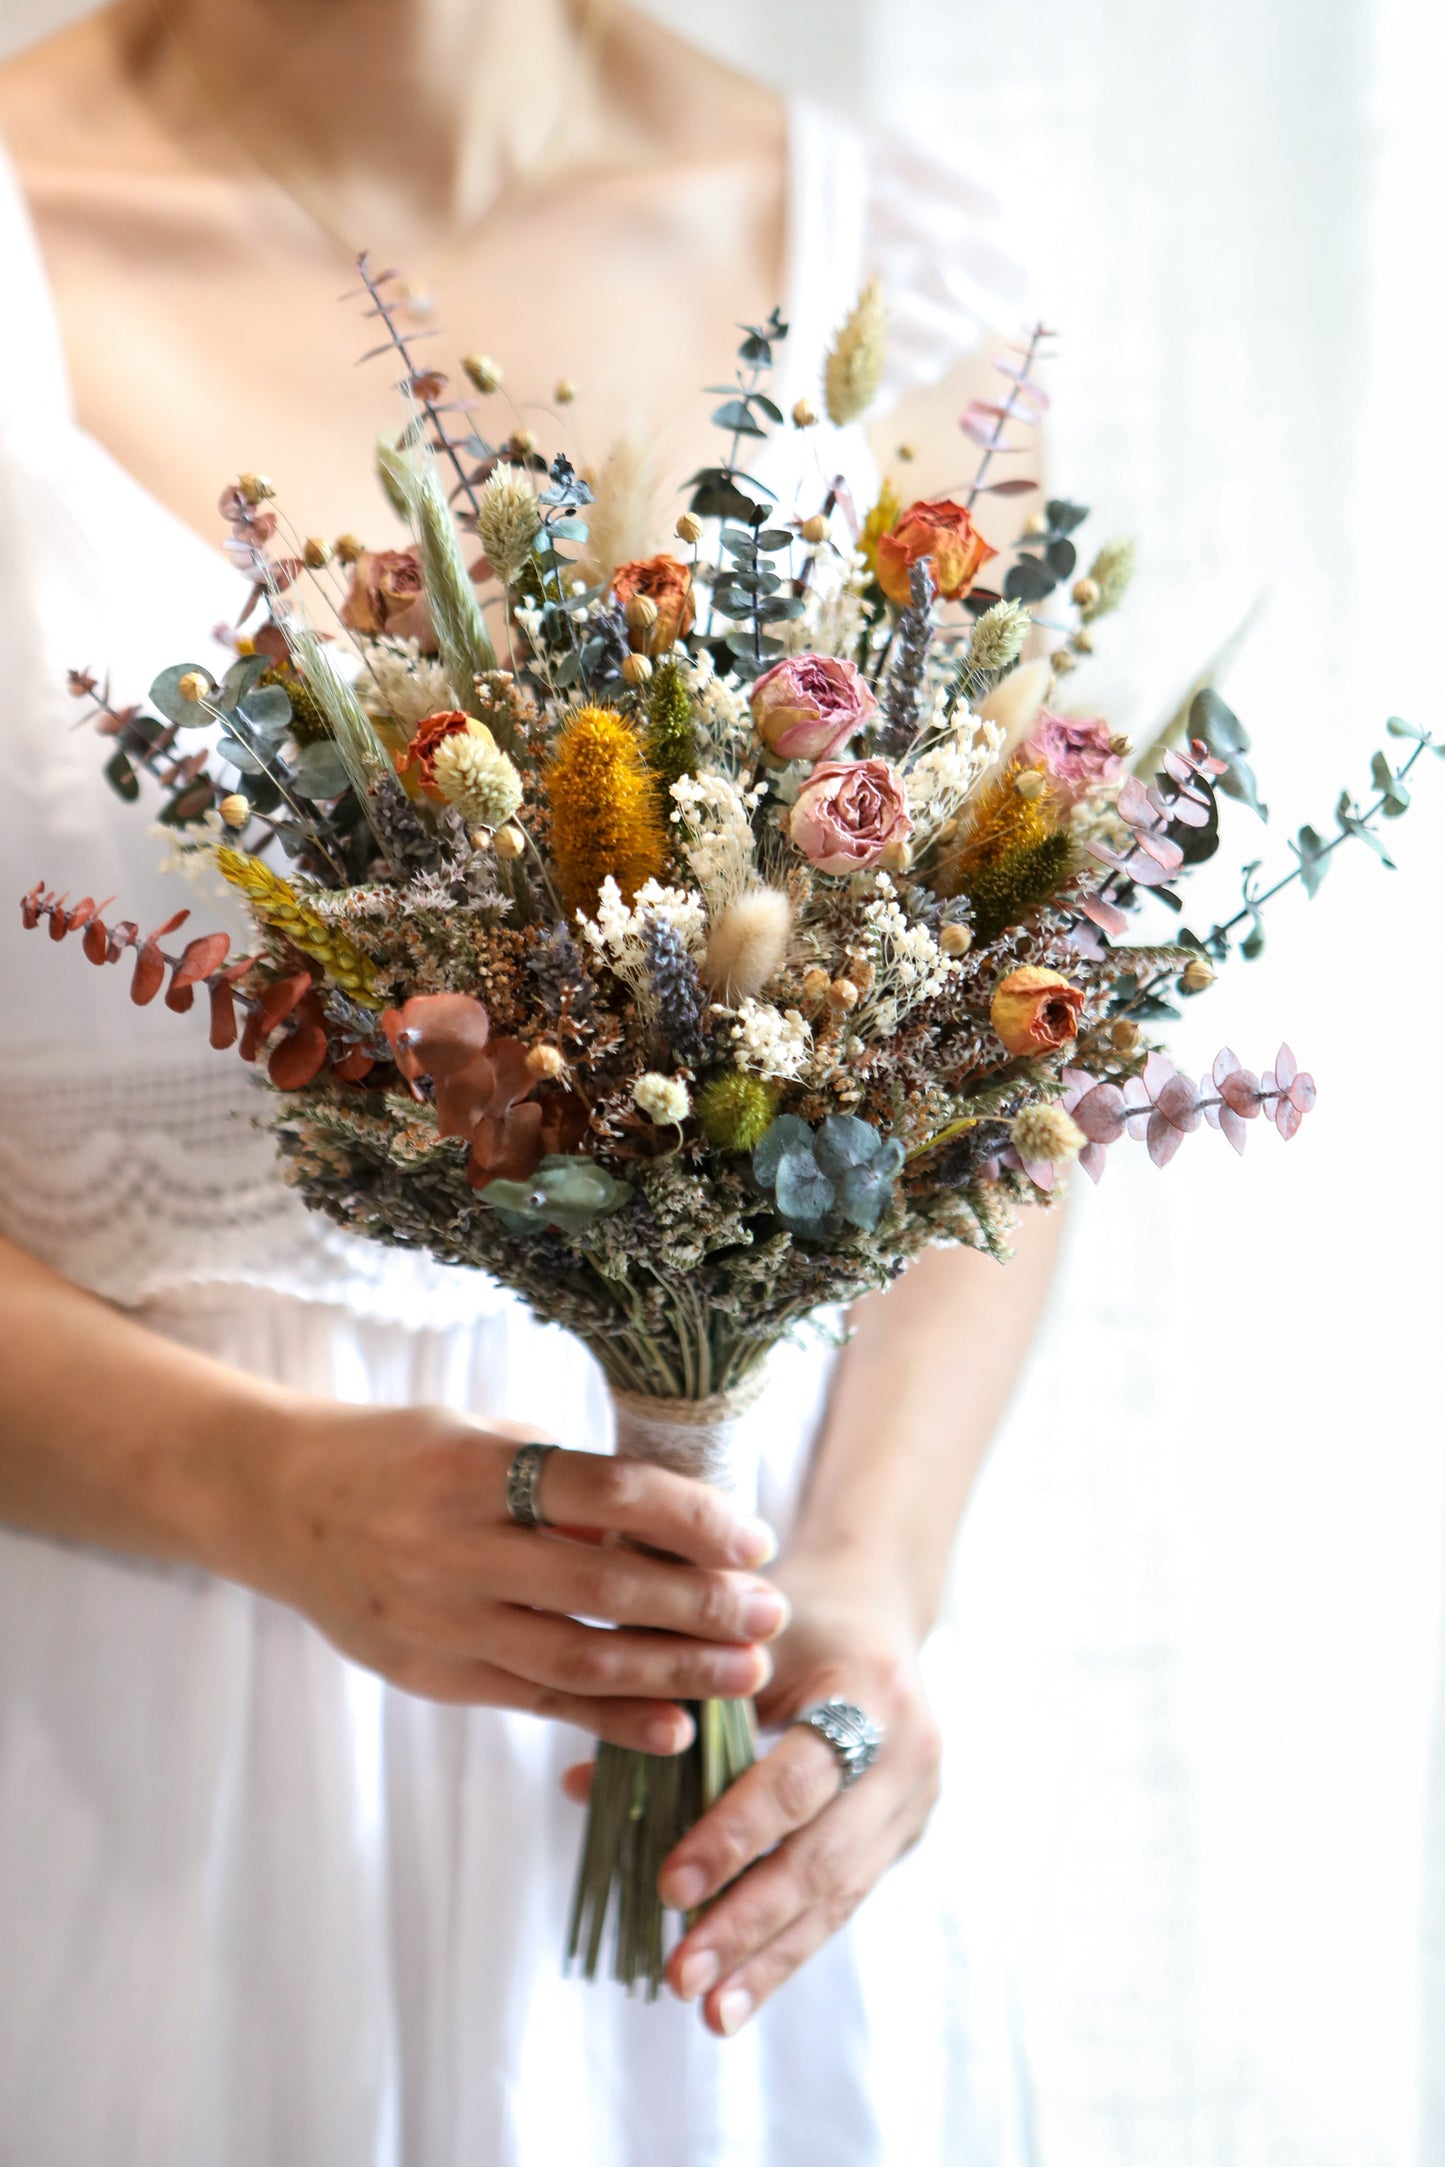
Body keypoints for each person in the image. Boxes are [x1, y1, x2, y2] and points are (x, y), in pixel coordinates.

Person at [0, 2, 1061, 2159]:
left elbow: (1016, 1050)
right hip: (117, 1773)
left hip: (746, 1816)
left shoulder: (905, 277)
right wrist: (261, 1492)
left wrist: (862, 1583)